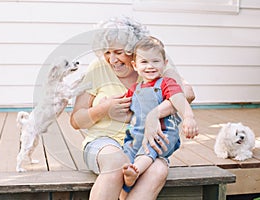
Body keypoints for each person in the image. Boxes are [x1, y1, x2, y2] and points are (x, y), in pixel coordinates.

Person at [70, 17, 197, 200]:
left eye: (119, 52)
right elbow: (76, 120)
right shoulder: (97, 68)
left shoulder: (152, 66)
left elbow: (188, 93)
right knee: (116, 163)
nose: (112, 60)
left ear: (134, 51)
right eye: (107, 52)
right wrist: (104, 108)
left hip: (146, 144)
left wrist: (153, 115)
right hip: (104, 142)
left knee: (158, 169)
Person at [122, 36, 198, 188]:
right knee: (125, 157)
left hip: (162, 134)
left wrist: (188, 117)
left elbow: (178, 99)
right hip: (136, 136)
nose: (150, 66)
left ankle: (136, 171)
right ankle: (127, 181)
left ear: (165, 63)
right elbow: (124, 109)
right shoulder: (134, 89)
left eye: (155, 61)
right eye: (144, 62)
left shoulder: (166, 83)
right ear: (134, 65)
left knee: (149, 149)